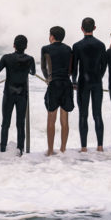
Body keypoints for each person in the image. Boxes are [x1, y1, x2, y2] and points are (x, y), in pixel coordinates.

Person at [0, 35, 36, 156]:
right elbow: (33, 72)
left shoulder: (6, 58)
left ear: (14, 45)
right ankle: (20, 150)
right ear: (26, 46)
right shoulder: (30, 59)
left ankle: (3, 149)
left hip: (9, 93)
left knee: (5, 122)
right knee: (20, 123)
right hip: (22, 94)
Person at [71, 18, 107, 152]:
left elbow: (75, 68)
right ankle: (100, 146)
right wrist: (100, 77)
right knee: (97, 114)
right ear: (95, 28)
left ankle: (84, 147)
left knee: (83, 114)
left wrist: (74, 81)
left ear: (81, 28)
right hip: (97, 82)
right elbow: (104, 65)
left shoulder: (77, 46)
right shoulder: (101, 45)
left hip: (83, 83)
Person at [40, 26, 74, 156]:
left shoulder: (46, 49)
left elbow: (44, 67)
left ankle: (50, 150)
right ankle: (63, 149)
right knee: (64, 119)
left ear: (52, 36)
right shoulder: (68, 49)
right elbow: (71, 69)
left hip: (54, 84)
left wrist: (47, 79)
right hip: (66, 83)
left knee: (51, 119)